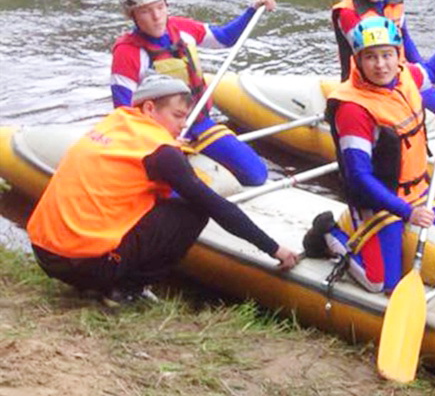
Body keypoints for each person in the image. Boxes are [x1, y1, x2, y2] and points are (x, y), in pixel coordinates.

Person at [27, 74, 299, 305]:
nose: (183, 125)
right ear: (149, 109)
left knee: (162, 198)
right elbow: (216, 206)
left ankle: (107, 272)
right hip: (84, 265)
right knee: (193, 210)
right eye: (177, 116)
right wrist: (273, 248)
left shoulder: (116, 121)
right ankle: (126, 289)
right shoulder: (160, 151)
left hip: (44, 253)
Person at [307, 13, 435, 293]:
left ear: (398, 54)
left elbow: (433, 71)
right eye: (370, 57)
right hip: (378, 202)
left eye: (387, 55)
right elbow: (359, 177)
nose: (381, 64)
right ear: (358, 59)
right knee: (381, 284)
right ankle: (328, 233)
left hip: (419, 192)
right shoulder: (353, 109)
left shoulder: (404, 75)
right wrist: (407, 213)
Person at [110, 0, 274, 186]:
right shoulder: (127, 52)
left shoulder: (182, 28)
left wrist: (253, 10)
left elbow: (224, 38)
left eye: (160, 7)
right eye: (146, 11)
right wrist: (155, 142)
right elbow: (123, 110)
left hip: (198, 123)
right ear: (132, 15)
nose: (157, 16)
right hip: (159, 136)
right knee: (178, 191)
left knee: (256, 174)